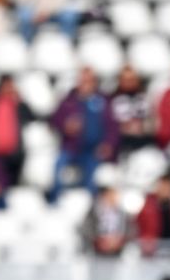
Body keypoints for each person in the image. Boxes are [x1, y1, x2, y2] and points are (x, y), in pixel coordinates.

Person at [49, 67, 118, 201]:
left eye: (89, 81)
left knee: (92, 179)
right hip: (71, 148)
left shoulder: (103, 101)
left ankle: (88, 206)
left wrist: (108, 144)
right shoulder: (69, 100)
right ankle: (54, 201)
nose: (86, 84)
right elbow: (55, 120)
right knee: (58, 166)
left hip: (93, 150)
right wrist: (65, 125)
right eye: (83, 80)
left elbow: (112, 126)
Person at [135, 174, 170, 257]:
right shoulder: (148, 206)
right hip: (152, 252)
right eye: (164, 186)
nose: (166, 190)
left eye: (169, 187)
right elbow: (139, 226)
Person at [110, 65, 155, 157]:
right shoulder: (113, 100)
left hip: (144, 144)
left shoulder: (145, 98)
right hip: (122, 145)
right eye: (125, 80)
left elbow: (153, 121)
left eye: (132, 79)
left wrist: (142, 126)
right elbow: (109, 124)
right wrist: (123, 127)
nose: (129, 83)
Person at [83, 185, 129, 256]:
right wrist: (98, 240)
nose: (114, 197)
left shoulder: (121, 212)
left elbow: (128, 229)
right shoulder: (94, 210)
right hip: (98, 249)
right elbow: (86, 228)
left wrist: (118, 241)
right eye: (111, 194)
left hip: (116, 249)